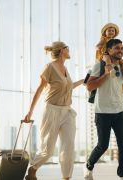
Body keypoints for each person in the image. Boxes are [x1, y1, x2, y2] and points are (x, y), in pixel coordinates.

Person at [24, 41, 84, 180]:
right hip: (52, 110)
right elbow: (39, 90)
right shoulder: (50, 67)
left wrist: (81, 81)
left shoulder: (65, 69)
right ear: (62, 50)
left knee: (68, 146)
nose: (69, 51)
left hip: (67, 112)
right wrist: (30, 112)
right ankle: (33, 169)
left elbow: (67, 87)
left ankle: (66, 177)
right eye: (67, 48)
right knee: (48, 149)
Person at [84, 39, 123, 180]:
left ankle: (122, 174)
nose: (120, 50)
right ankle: (89, 166)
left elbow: (121, 89)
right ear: (109, 50)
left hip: (119, 112)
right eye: (117, 48)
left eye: (122, 48)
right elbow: (89, 86)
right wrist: (105, 74)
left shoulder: (122, 67)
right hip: (103, 112)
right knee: (102, 145)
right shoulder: (99, 65)